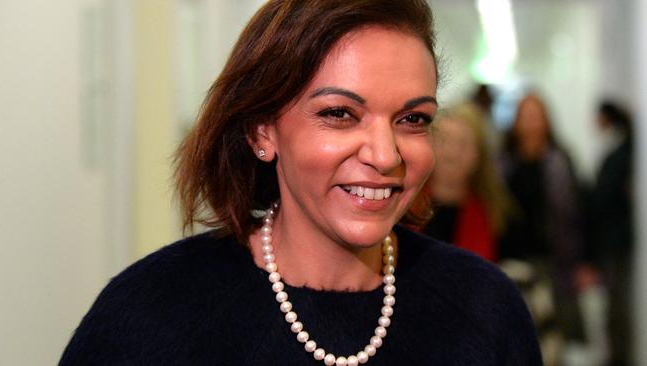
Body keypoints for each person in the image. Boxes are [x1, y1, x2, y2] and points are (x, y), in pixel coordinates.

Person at [60, 1, 542, 365]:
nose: (385, 155)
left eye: (412, 118)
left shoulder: (484, 307)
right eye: (339, 114)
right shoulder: (153, 313)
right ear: (261, 130)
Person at [498, 93, 583, 361]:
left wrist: (582, 260)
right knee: (517, 330)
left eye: (537, 116)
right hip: (511, 259)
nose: (532, 122)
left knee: (553, 332)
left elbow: (577, 212)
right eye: (526, 115)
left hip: (552, 259)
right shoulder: (503, 162)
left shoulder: (560, 161)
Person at [411, 103, 514, 262]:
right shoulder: (403, 208)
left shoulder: (497, 217)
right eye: (444, 141)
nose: (452, 154)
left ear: (479, 155)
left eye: (463, 144)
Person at [583, 100, 634, 366]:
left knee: (616, 303)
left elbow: (602, 195)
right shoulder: (618, 149)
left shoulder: (620, 152)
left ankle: (618, 357)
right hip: (612, 238)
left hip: (614, 239)